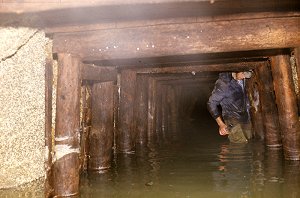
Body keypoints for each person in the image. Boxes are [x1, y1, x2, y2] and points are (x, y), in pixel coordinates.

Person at [207, 71, 252, 143]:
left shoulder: (242, 80)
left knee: (249, 142)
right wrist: (221, 124)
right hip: (232, 119)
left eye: (246, 75)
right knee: (239, 146)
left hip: (245, 117)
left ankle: (227, 150)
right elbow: (211, 103)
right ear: (236, 70)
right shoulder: (223, 84)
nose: (244, 77)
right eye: (243, 74)